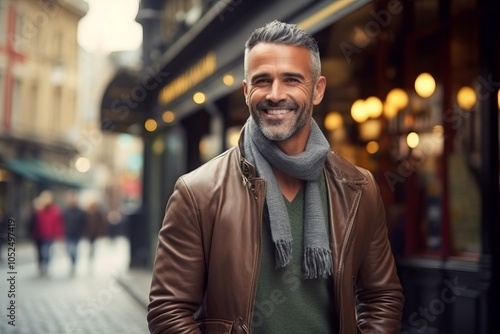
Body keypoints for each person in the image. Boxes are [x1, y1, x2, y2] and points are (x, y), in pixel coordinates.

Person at [147, 20, 404, 333]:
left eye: (292, 79)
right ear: (246, 91)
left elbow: (382, 295)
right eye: (262, 81)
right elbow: (168, 311)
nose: (275, 94)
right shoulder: (197, 192)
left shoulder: (359, 188)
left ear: (318, 89)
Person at [33, 190, 64, 277]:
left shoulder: (55, 210)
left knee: (46, 251)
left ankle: (45, 266)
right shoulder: (39, 209)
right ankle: (42, 266)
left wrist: (59, 235)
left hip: (50, 235)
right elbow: (34, 222)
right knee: (41, 252)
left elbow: (58, 223)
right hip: (39, 235)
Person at [62, 191, 87, 275]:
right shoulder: (66, 210)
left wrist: (82, 232)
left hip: (76, 234)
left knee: (74, 250)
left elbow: (83, 222)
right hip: (68, 233)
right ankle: (72, 262)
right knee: (69, 249)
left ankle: (73, 264)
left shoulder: (80, 211)